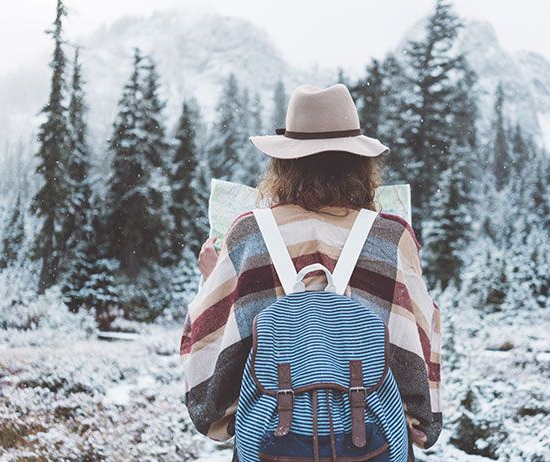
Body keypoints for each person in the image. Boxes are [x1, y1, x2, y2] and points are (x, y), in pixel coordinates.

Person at [180, 83, 441, 461]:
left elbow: (210, 382)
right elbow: (418, 352)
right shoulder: (392, 237)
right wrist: (419, 423)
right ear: (360, 163)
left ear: (283, 163)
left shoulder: (248, 235)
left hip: (275, 446)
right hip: (371, 445)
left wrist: (210, 282)